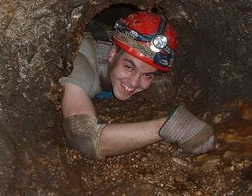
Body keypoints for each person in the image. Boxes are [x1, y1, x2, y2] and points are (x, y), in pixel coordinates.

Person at [59, 11, 216, 160]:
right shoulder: (77, 66)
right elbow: (85, 138)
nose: (134, 83)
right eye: (129, 67)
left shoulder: (124, 59)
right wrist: (169, 127)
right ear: (112, 53)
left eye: (147, 74)